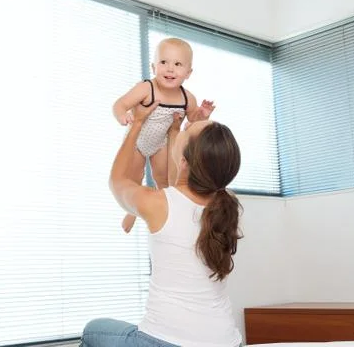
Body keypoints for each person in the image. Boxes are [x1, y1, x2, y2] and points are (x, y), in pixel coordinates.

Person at [80, 101, 243, 346]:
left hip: (167, 342)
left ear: (186, 161)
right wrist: (177, 129)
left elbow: (118, 181)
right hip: (229, 342)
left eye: (190, 131)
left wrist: (136, 123)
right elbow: (177, 181)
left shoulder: (159, 204)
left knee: (93, 331)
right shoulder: (226, 207)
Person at [113, 37, 215, 233]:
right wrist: (122, 115)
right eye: (163, 62)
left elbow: (192, 120)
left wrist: (201, 114)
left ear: (188, 72)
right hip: (137, 142)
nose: (170, 69)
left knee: (164, 180)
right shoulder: (146, 88)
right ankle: (133, 211)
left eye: (177, 64)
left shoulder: (187, 97)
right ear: (153, 67)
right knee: (134, 179)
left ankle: (166, 214)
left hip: (161, 143)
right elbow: (120, 104)